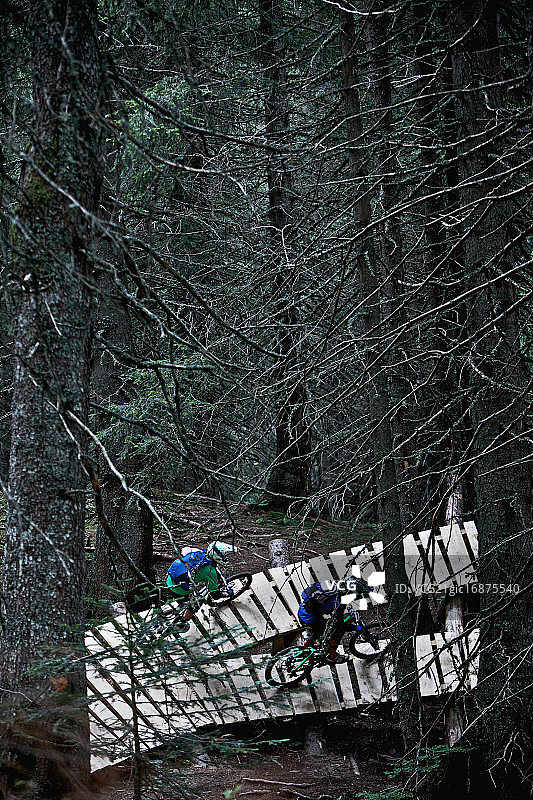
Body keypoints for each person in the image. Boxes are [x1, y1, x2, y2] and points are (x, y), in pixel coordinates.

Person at [166, 540, 237, 627]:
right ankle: (182, 622)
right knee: (197, 603)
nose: (226, 558)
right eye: (224, 556)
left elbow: (184, 551)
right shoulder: (210, 572)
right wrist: (226, 594)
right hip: (179, 590)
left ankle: (181, 604)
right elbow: (215, 595)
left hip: (170, 580)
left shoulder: (198, 552)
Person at [297, 579, 369, 664]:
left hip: (303, 612)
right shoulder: (339, 602)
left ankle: (308, 642)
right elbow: (340, 624)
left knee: (319, 629)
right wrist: (356, 628)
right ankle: (332, 656)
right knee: (335, 632)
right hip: (309, 618)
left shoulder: (334, 586)